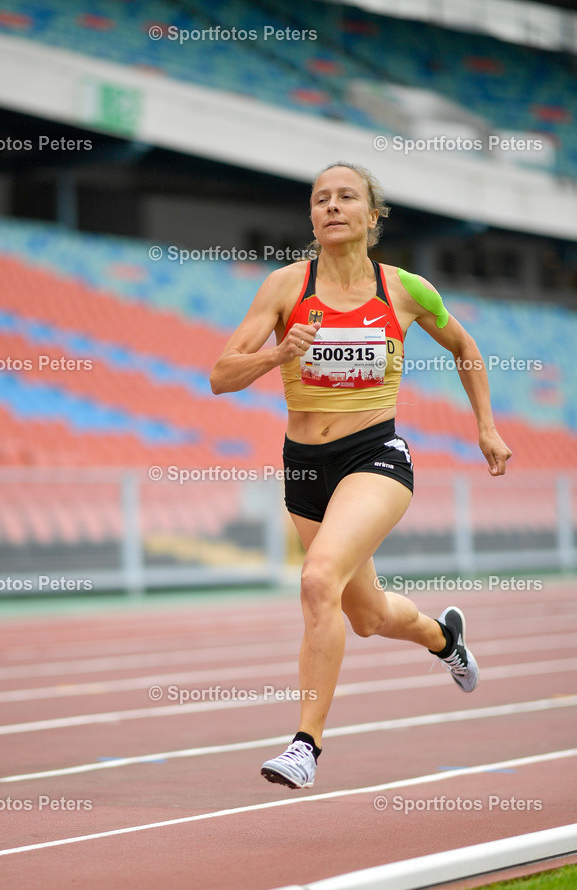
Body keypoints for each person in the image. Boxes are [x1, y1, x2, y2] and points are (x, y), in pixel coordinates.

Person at [210, 162, 512, 790]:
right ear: (311, 215)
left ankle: (305, 745)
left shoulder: (406, 289)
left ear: (372, 216)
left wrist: (486, 426)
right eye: (321, 198)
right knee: (368, 616)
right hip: (304, 468)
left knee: (317, 579)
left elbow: (465, 348)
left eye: (346, 197)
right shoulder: (286, 287)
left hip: (375, 456)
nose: (332, 206)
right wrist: (279, 353)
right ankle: (444, 638)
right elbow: (221, 375)